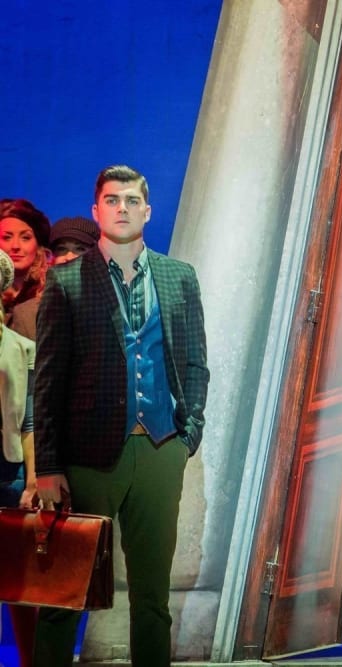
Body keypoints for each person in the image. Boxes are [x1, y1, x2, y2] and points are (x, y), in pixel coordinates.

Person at [33, 165, 210, 666]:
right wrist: (48, 465)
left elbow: (195, 362)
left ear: (147, 211)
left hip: (159, 447)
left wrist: (188, 434)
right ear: (97, 211)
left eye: (132, 200)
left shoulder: (178, 277)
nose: (122, 209)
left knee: (153, 597)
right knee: (64, 593)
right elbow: (48, 380)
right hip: (88, 456)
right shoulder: (66, 280)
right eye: (112, 200)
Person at [0, 248, 40, 667]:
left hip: (8, 469)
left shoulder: (21, 347)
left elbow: (30, 420)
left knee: (18, 579)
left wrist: (32, 480)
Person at [0, 198, 51, 340]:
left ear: (38, 245)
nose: (15, 246)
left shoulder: (51, 294)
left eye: (25, 238)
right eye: (7, 237)